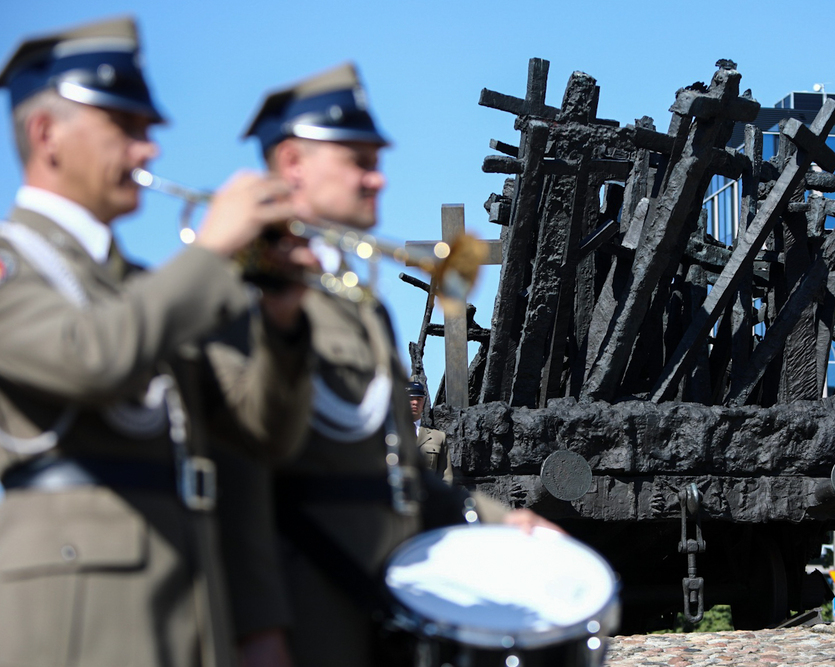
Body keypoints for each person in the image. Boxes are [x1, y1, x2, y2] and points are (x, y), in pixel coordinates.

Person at [0, 17, 314, 667]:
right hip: (75, 622)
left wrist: (282, 321)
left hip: (190, 606)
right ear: (45, 135)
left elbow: (262, 434)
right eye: (126, 128)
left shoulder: (148, 288)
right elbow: (93, 359)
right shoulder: (12, 264)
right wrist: (215, 250)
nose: (149, 152)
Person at [225, 62, 560, 667]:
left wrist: (497, 522)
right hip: (300, 614)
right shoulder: (237, 294)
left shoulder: (361, 305)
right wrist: (256, 628)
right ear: (293, 164)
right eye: (359, 161)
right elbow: (233, 474)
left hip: (379, 606)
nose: (378, 179)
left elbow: (400, 474)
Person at [408, 379, 452, 482]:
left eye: (419, 399)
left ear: (423, 402)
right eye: (411, 398)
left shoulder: (438, 437)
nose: (415, 402)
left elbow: (446, 477)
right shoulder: (390, 434)